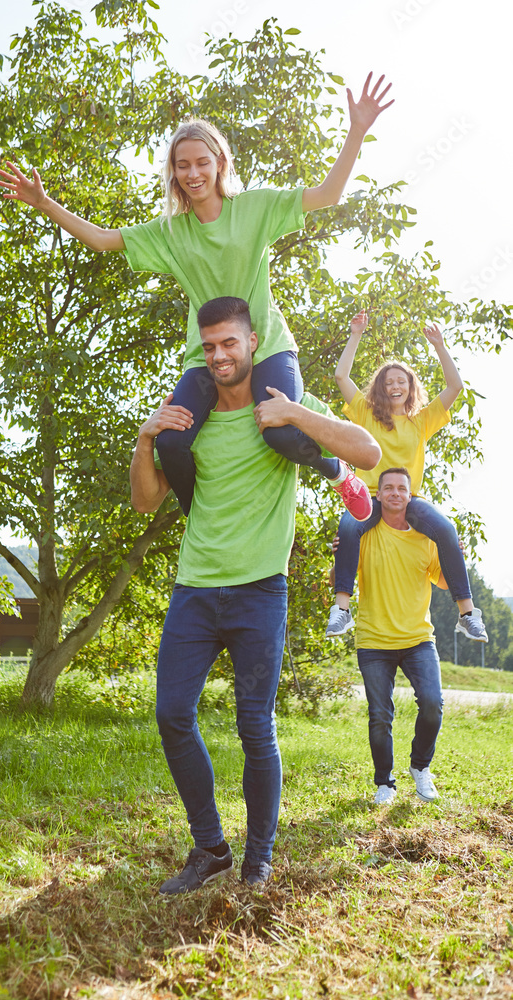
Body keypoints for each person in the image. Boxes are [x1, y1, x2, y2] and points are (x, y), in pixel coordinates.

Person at [0, 74, 394, 520]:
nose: (192, 174)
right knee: (170, 442)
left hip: (266, 348)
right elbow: (103, 239)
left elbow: (328, 194)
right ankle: (197, 521)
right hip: (206, 358)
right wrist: (45, 203)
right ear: (173, 173)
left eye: (201, 162)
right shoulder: (170, 234)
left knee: (279, 433)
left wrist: (357, 128)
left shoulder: (257, 207)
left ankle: (337, 470)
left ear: (220, 162)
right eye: (181, 166)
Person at [130, 296, 380, 894]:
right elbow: (144, 501)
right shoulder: (189, 420)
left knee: (254, 728)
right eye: (209, 346)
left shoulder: (282, 407)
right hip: (195, 587)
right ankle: (211, 847)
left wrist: (299, 414)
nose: (219, 356)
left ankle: (257, 860)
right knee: (171, 716)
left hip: (260, 592)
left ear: (250, 344)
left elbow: (368, 452)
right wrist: (144, 442)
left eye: (230, 344)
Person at [325, 310, 488, 643]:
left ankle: (467, 613)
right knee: (347, 529)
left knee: (445, 529)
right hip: (368, 497)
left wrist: (440, 346)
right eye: (389, 382)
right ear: (381, 390)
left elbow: (455, 386)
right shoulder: (365, 414)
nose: (395, 386)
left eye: (401, 381)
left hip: (409, 499)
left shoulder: (421, 421)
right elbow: (342, 377)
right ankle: (342, 608)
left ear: (410, 387)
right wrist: (355, 334)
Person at [342, 467, 447, 805]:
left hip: (418, 639)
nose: (395, 493)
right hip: (374, 642)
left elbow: (444, 581)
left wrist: (451, 551)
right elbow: (340, 576)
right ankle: (384, 782)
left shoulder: (426, 537)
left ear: (410, 495)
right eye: (388, 487)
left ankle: (420, 767)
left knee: (432, 704)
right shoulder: (363, 535)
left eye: (402, 488)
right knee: (380, 716)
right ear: (379, 494)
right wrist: (339, 552)